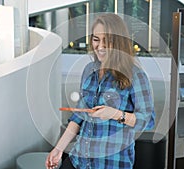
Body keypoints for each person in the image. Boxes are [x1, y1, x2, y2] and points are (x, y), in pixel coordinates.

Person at [46, 13, 155, 169]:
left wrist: (115, 114)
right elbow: (79, 116)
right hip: (79, 161)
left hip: (111, 164)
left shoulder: (136, 75)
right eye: (96, 39)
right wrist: (58, 148)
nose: (100, 46)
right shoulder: (89, 70)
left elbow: (148, 120)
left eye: (107, 40)